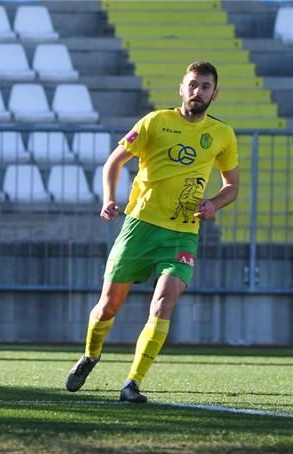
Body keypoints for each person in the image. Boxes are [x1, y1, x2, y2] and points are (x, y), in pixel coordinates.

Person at [65, 61, 239, 403]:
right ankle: (91, 354)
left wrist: (214, 204)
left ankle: (132, 382)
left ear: (214, 94)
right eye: (192, 84)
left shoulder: (222, 135)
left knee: (163, 302)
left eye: (205, 86)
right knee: (108, 308)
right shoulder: (156, 121)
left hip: (182, 234)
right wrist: (110, 199)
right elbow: (114, 162)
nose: (197, 91)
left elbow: (232, 186)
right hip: (139, 227)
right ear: (181, 88)